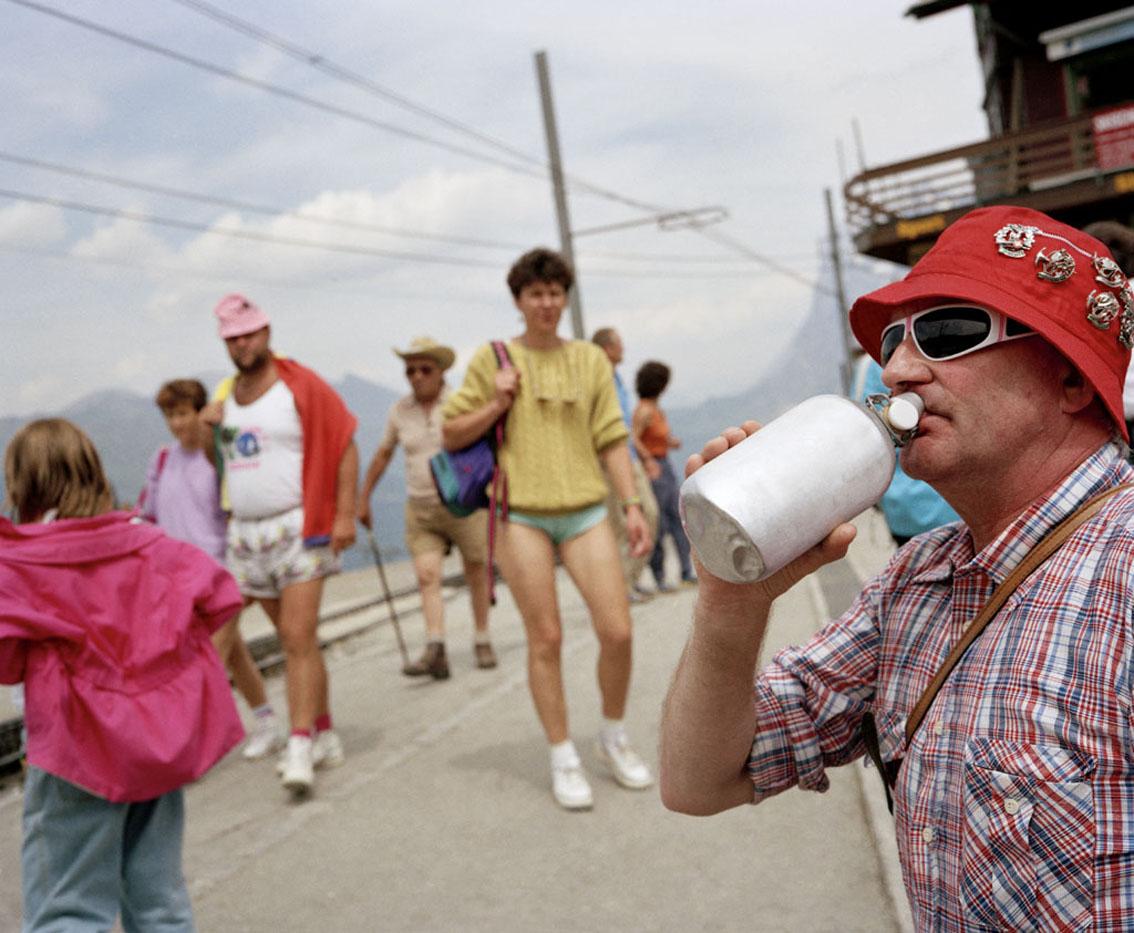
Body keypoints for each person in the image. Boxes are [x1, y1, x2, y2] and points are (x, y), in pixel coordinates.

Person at [659, 205, 1134, 929]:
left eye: (949, 331)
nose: (897, 371)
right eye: (892, 340)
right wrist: (730, 600)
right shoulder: (917, 579)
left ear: (1071, 378)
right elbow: (700, 780)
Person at [0, 419, 244, 931]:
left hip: (72, 750)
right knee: (159, 901)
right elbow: (221, 596)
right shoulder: (150, 544)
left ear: (22, 485)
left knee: (68, 906)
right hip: (155, 745)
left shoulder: (20, 563)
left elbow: (6, 662)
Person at [442, 247, 654, 810]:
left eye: (555, 293)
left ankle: (612, 736)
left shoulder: (590, 359)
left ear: (565, 297)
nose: (546, 303)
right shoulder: (492, 359)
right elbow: (452, 433)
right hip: (520, 515)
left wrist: (632, 504)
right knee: (547, 637)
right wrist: (496, 401)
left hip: (585, 510)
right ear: (518, 301)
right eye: (535, 294)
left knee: (618, 631)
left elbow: (611, 436)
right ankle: (563, 755)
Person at [207, 294, 359, 796]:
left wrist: (343, 514)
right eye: (232, 338)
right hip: (247, 533)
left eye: (248, 334)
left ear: (266, 332)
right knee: (299, 643)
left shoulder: (300, 384)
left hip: (298, 526)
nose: (241, 344)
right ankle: (325, 732)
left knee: (296, 636)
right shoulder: (227, 395)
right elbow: (226, 462)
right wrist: (209, 429)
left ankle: (298, 744)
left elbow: (344, 443)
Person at [140, 378, 282, 758]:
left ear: (199, 412)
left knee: (208, 658)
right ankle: (266, 722)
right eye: (170, 415)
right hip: (175, 578)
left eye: (183, 413)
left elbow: (236, 507)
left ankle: (187, 744)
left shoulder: (216, 457)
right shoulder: (162, 460)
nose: (176, 423)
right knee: (234, 653)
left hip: (219, 573)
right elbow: (149, 515)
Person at [358, 336, 496, 679]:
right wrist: (364, 497)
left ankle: (482, 637)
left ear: (440, 372)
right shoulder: (398, 411)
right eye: (410, 371)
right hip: (421, 506)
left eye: (425, 369)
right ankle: (436, 646)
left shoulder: (460, 402)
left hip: (464, 504)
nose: (417, 376)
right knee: (426, 575)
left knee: (476, 569)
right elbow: (383, 454)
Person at [853, 356, 960, 546]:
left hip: (902, 512)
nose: (891, 375)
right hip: (945, 513)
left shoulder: (869, 367)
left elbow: (864, 444)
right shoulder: (874, 367)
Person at [591, 327, 660, 603]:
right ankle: (621, 588)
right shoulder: (596, 379)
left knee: (650, 515)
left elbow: (625, 427)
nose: (623, 349)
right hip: (608, 461)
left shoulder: (617, 379)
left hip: (629, 457)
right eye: (619, 344)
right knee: (619, 525)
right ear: (607, 348)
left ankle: (629, 579)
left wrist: (644, 457)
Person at [633, 360, 695, 592]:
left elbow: (656, 436)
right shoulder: (644, 410)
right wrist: (648, 460)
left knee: (678, 516)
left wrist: (669, 442)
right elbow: (633, 438)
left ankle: (686, 570)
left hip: (665, 464)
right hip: (653, 468)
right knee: (658, 521)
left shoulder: (657, 410)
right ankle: (659, 576)